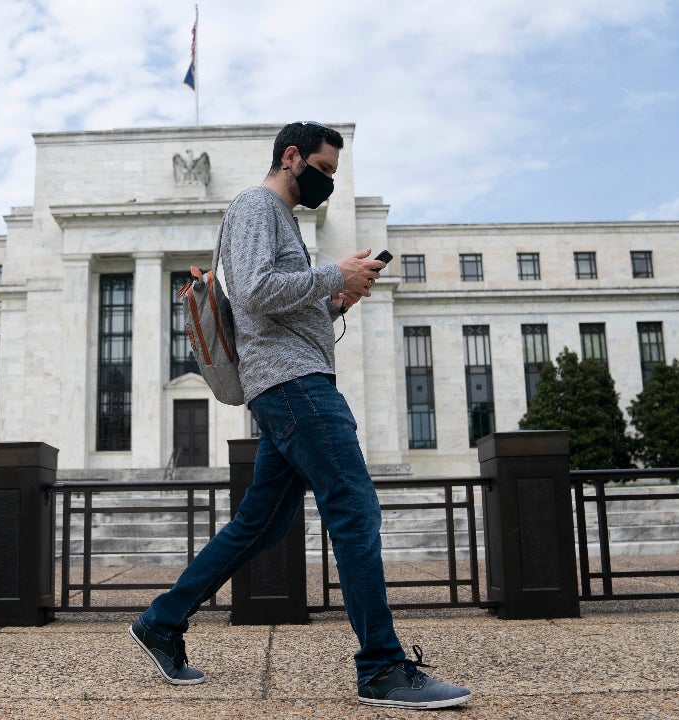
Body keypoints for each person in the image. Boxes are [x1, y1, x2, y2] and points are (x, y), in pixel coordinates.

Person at [129, 121, 472, 709]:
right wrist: (333, 274)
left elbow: (275, 299)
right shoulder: (258, 206)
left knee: (258, 524)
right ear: (292, 158)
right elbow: (258, 291)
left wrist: (335, 297)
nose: (328, 184)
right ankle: (382, 669)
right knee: (354, 506)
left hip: (286, 384)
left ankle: (163, 620)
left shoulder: (276, 215)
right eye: (324, 170)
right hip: (295, 387)